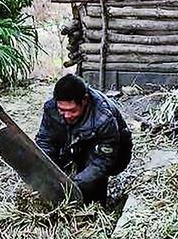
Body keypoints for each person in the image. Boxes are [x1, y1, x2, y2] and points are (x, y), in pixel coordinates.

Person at [35, 74, 133, 204]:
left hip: (114, 152)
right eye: (62, 110)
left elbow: (102, 161)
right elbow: (45, 140)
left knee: (91, 184)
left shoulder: (103, 117)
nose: (67, 115)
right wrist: (47, 172)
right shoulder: (51, 108)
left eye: (72, 110)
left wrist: (73, 186)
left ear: (85, 100)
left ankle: (96, 201)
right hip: (76, 143)